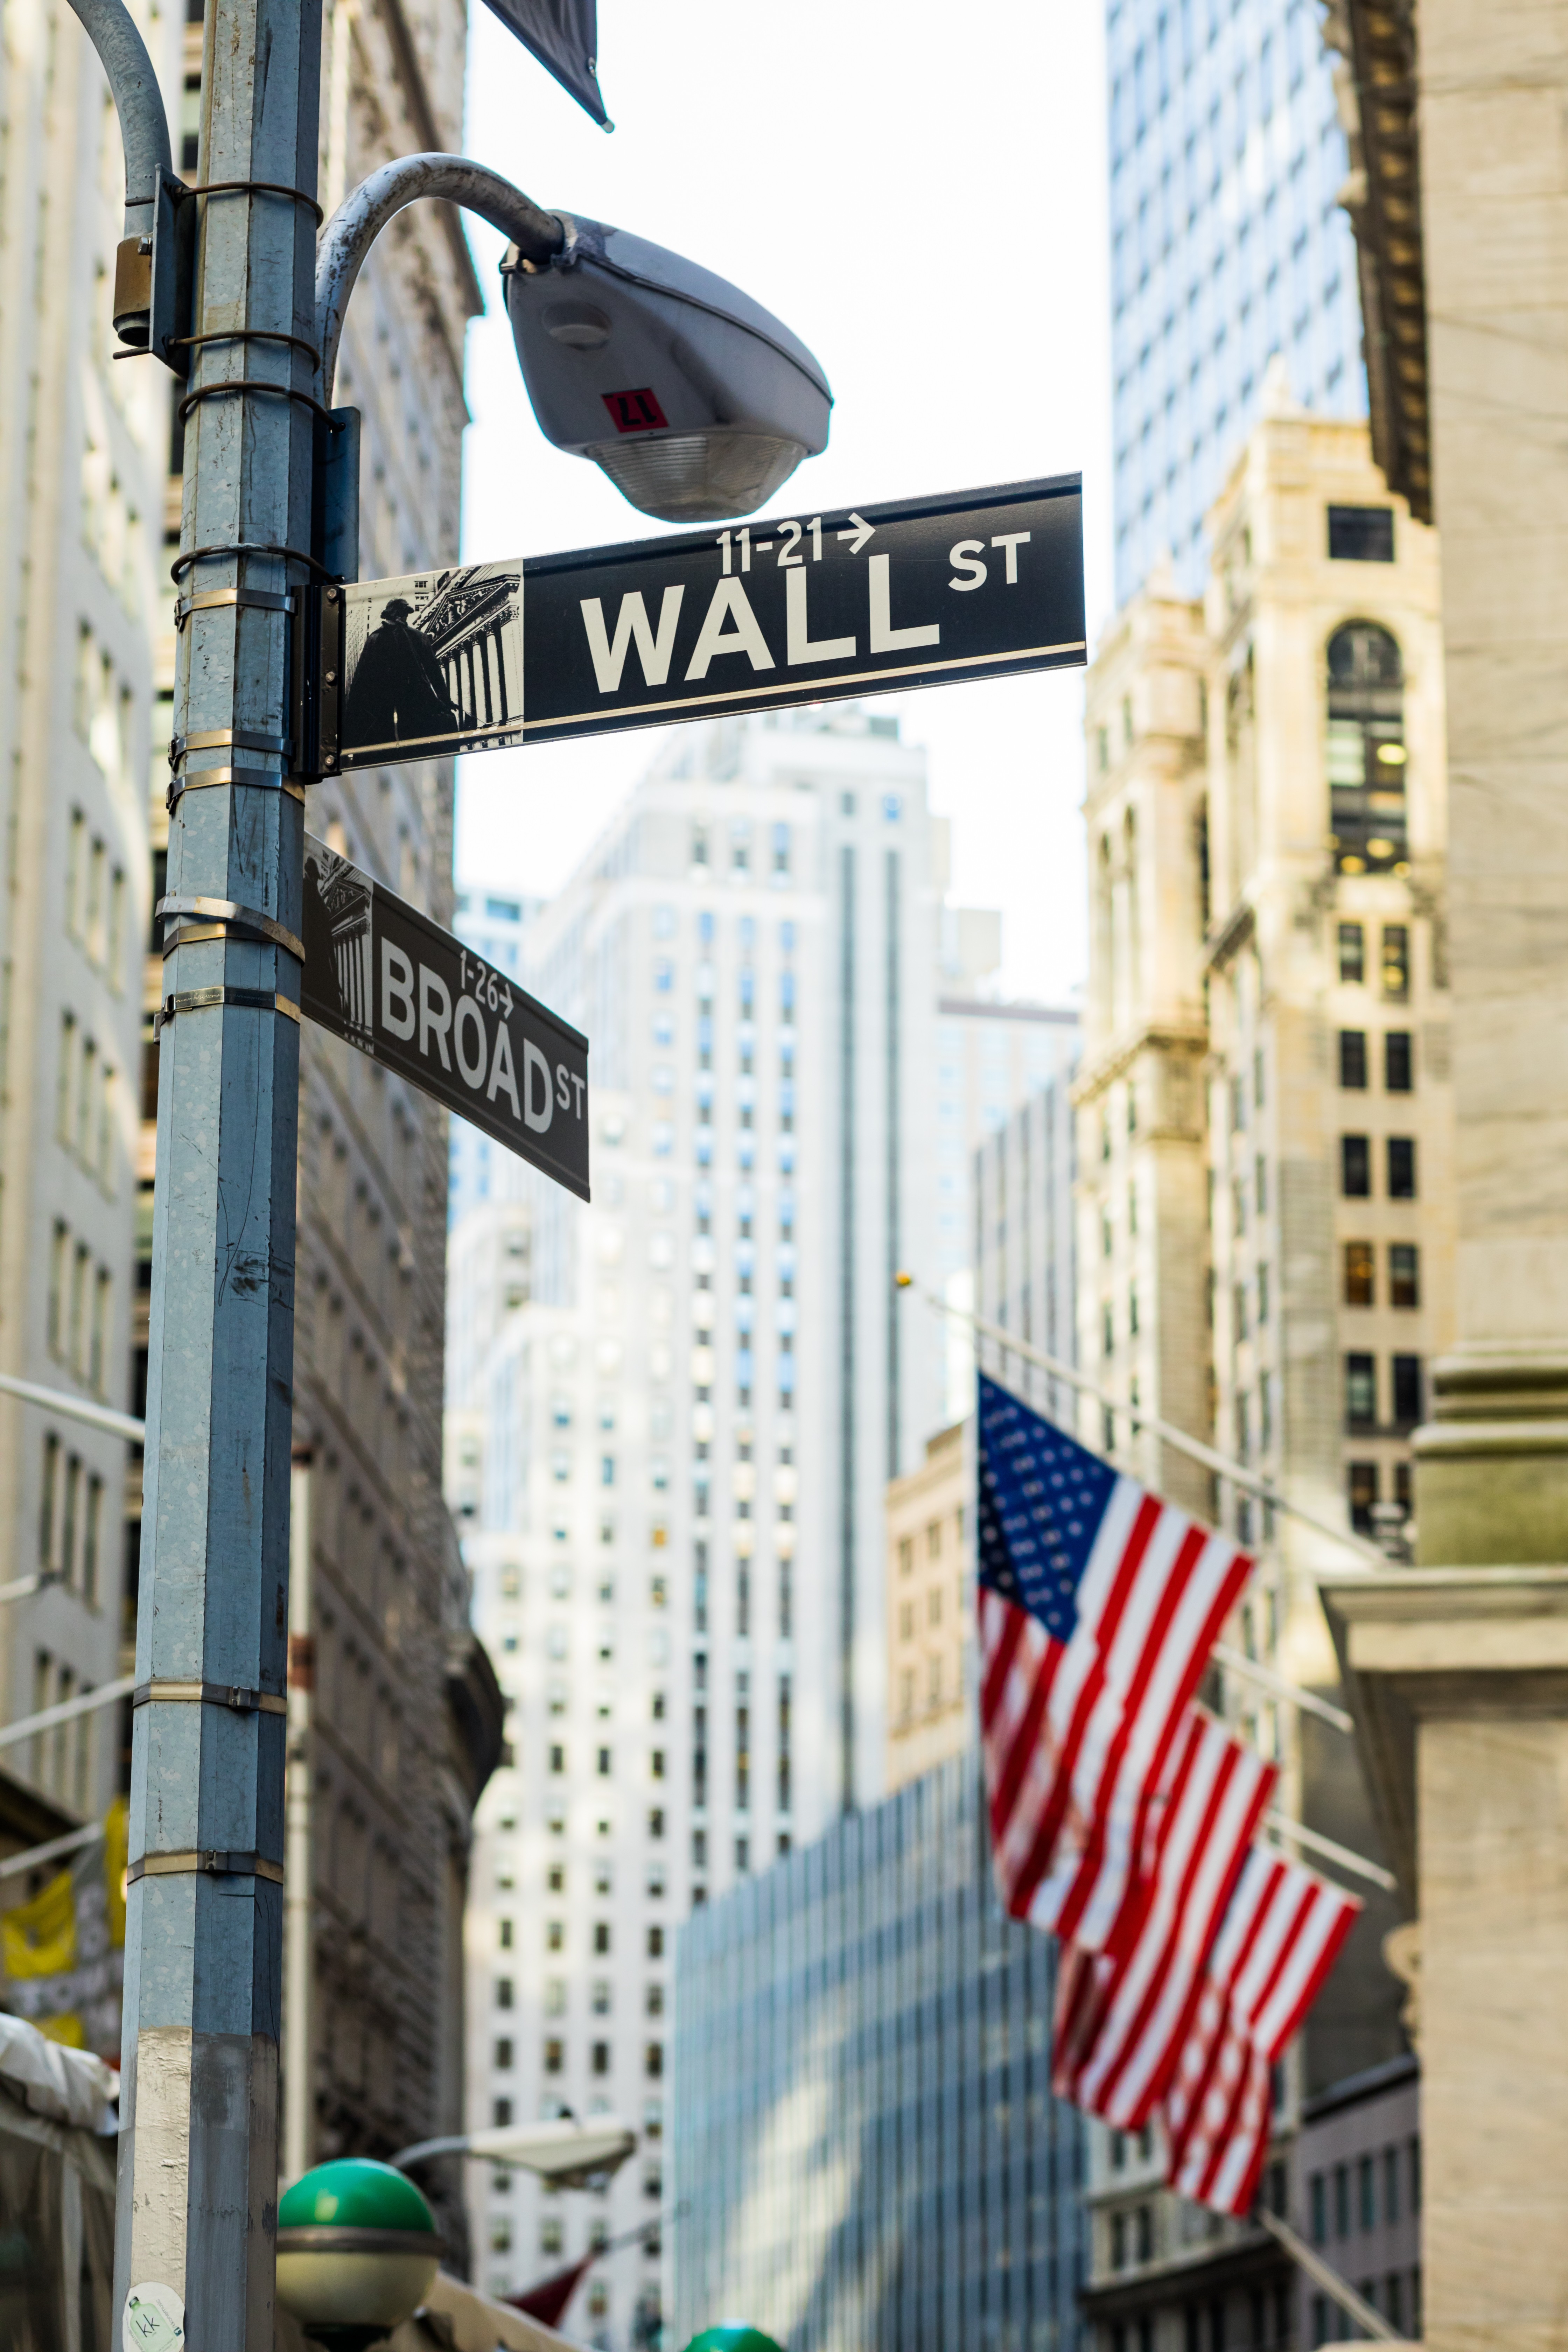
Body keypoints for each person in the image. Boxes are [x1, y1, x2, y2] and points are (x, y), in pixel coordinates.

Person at [342, 597, 459, 746]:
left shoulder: (415, 637)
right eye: (401, 613)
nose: (403, 617)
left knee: (410, 737)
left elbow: (433, 671)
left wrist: (445, 700)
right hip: (389, 699)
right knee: (391, 737)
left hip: (408, 697)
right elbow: (362, 676)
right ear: (393, 615)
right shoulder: (377, 638)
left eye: (404, 614)